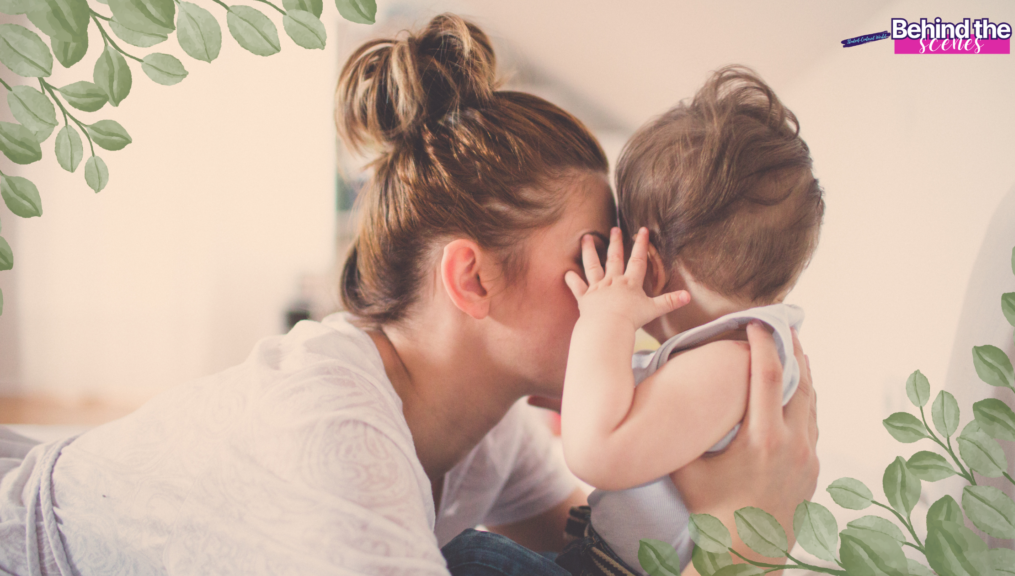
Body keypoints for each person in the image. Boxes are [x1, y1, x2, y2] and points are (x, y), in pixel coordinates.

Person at [0, 16, 819, 576]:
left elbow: (590, 538)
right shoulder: (334, 430)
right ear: (470, 279)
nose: (630, 290)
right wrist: (753, 541)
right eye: (596, 256)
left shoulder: (483, 423)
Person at [556, 67, 825, 575]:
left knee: (473, 557)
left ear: (649, 269)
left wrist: (604, 320)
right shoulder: (739, 354)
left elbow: (594, 452)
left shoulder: (730, 363)